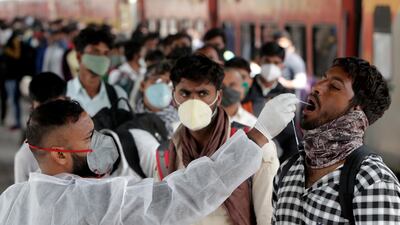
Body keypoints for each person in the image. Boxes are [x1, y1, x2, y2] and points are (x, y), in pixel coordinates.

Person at [0, 92, 299, 224]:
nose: (101, 142)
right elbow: (182, 195)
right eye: (90, 138)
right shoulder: (93, 200)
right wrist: (259, 135)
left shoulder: (11, 199)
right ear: (61, 155)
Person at [159, 55, 293, 225]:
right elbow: (158, 212)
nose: (193, 102)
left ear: (218, 97)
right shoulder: (166, 152)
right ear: (174, 96)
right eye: (185, 93)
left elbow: (268, 218)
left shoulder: (256, 148)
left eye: (203, 93)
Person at [272, 57, 400, 224]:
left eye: (334, 86)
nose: (316, 87)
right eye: (322, 79)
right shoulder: (287, 170)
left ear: (356, 112)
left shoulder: (372, 182)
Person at [14, 72, 67, 183]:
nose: (50, 115)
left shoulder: (80, 141)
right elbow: (22, 198)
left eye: (55, 107)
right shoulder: (25, 157)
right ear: (32, 107)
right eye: (44, 109)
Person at [66, 26, 127, 117]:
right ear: (79, 57)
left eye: (106, 53)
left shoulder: (118, 95)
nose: (102, 58)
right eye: (95, 52)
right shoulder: (64, 94)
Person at [135, 61, 179, 137]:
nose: (163, 87)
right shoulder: (131, 119)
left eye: (168, 83)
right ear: (142, 85)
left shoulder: (181, 123)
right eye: (157, 81)